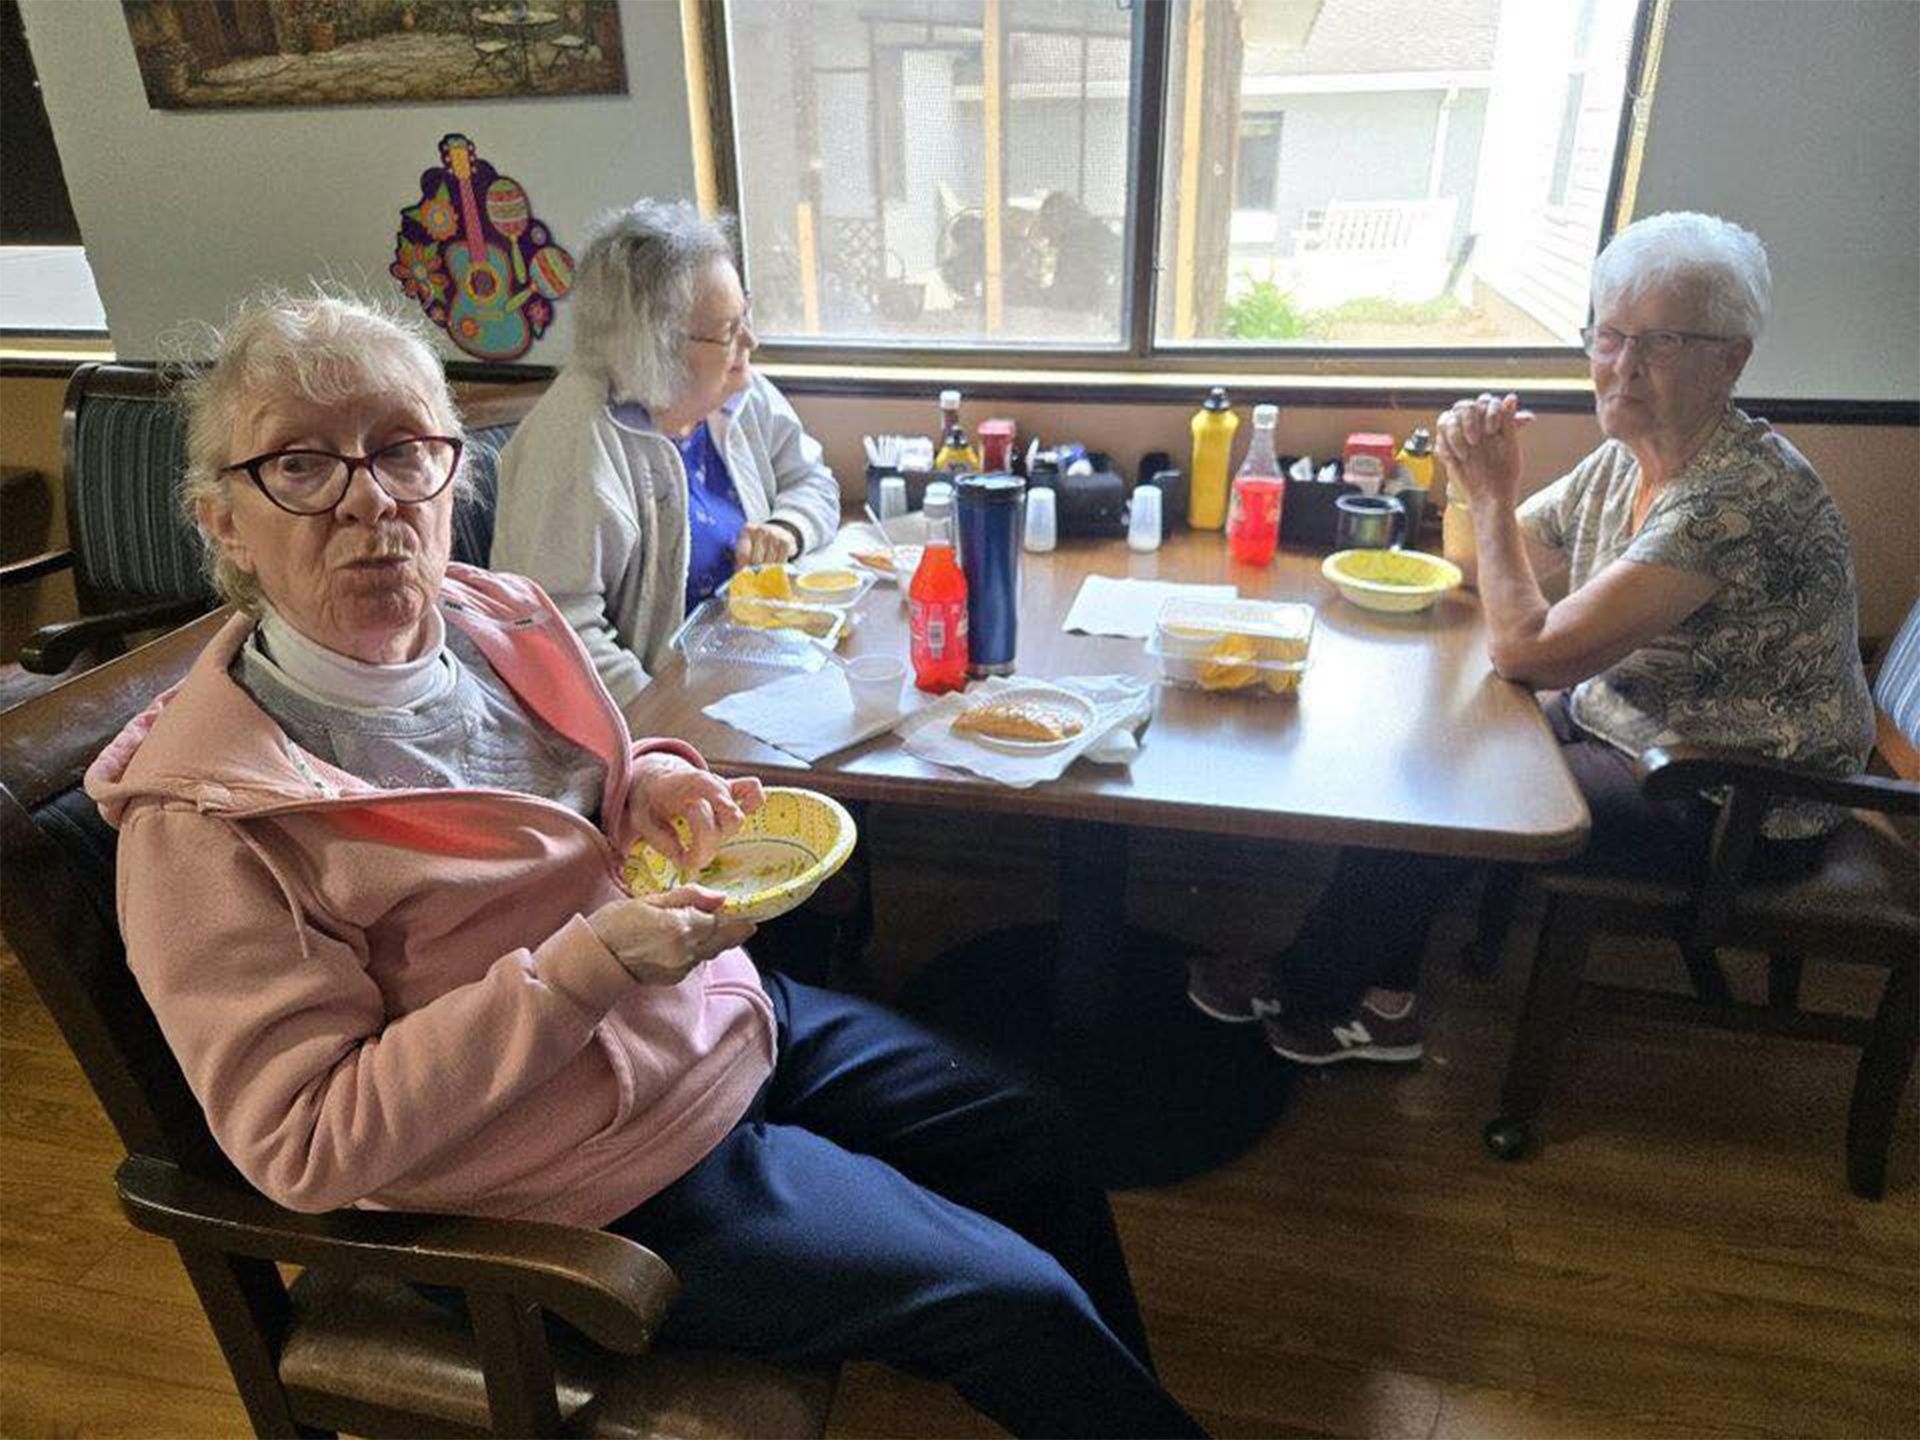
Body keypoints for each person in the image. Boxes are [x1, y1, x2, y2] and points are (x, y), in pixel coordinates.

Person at [87, 293, 1204, 1439]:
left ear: (452, 474)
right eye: (302, 465)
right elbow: (306, 1141)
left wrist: (655, 781)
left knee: (1034, 1125)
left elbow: (590, 790)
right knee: (1016, 1300)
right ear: (223, 520)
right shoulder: (208, 825)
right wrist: (583, 972)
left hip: (708, 1018)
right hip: (573, 1186)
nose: (371, 497)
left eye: (404, 452)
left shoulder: (496, 619)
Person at [1189, 211, 1874, 1064]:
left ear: (1730, 358)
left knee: (1461, 787)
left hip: (1741, 797)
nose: (1623, 368)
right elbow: (1478, 562)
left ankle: (1332, 987)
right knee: (1425, 745)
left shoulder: (1733, 500)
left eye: (1659, 343)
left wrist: (1488, 494)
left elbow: (1527, 648)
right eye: (1609, 336)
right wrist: (1470, 472)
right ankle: (1370, 985)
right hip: (1631, 725)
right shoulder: (1631, 452)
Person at [491, 200, 841, 708]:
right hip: (655, 715)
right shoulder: (575, 440)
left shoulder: (737, 390)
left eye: (746, 316)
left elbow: (813, 481)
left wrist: (787, 527)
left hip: (753, 667)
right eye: (728, 332)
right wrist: (668, 732)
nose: (752, 342)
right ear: (655, 347)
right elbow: (555, 635)